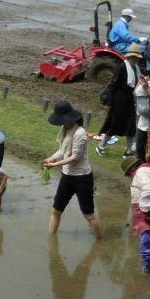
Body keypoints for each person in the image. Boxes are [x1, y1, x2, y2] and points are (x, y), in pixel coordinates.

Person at [44, 101, 102, 240]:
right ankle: (51, 242)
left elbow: (75, 158)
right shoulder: (66, 129)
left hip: (82, 178)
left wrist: (55, 164)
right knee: (56, 211)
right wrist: (50, 159)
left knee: (88, 214)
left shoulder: (80, 133)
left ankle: (99, 242)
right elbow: (62, 151)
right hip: (67, 177)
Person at [97, 44, 142, 157]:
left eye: (137, 58)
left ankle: (128, 151)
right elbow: (113, 85)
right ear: (130, 57)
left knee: (131, 125)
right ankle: (101, 145)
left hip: (130, 99)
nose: (136, 59)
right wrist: (110, 102)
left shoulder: (135, 68)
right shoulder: (122, 67)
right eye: (134, 57)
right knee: (115, 124)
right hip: (119, 99)